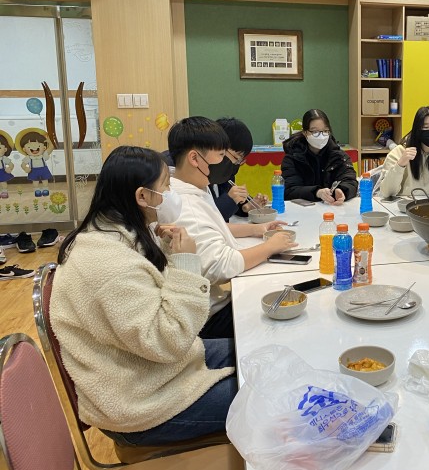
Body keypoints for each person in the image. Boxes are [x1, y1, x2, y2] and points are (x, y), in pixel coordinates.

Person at [50, 146, 236, 446]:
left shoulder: (117, 233)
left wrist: (161, 248)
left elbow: (149, 300)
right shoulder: (107, 264)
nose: (171, 194)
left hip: (147, 370)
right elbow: (170, 340)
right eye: (165, 186)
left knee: (253, 353)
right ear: (142, 197)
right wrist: (186, 265)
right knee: (261, 390)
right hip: (139, 403)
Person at [169, 117, 295, 338]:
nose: (226, 163)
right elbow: (220, 266)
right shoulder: (186, 205)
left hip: (212, 303)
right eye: (220, 155)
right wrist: (269, 248)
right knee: (282, 310)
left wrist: (258, 229)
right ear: (194, 159)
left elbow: (215, 227)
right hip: (209, 317)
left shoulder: (195, 188)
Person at [163, 117, 266, 222]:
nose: (235, 164)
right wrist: (229, 199)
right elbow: (206, 219)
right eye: (220, 154)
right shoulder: (176, 177)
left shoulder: (213, 172)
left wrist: (245, 206)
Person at [376, 106, 429, 197]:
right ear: (417, 130)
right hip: (404, 207)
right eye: (426, 127)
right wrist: (400, 165)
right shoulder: (399, 152)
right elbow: (386, 193)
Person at [281, 109, 357, 205]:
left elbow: (351, 181)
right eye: (315, 132)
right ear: (305, 133)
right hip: (303, 212)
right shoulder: (292, 158)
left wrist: (342, 190)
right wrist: (317, 192)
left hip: (332, 209)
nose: (321, 136)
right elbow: (289, 191)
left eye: (325, 131)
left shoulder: (339, 156)